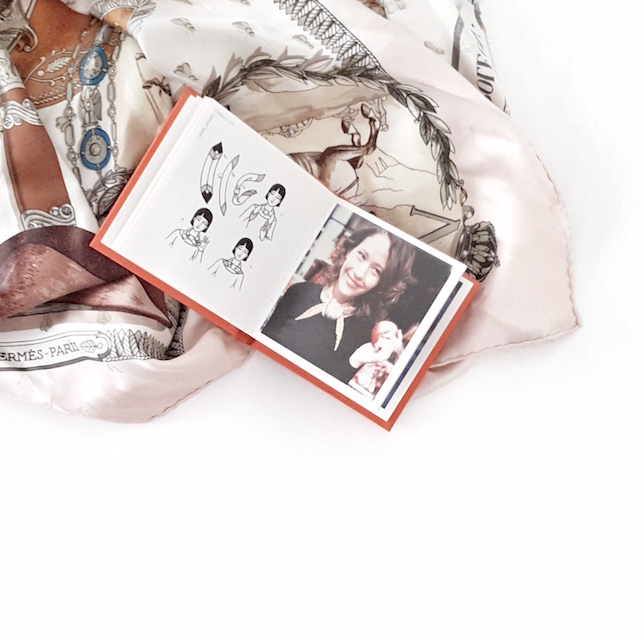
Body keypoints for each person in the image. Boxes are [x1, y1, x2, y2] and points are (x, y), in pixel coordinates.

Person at [262, 226, 415, 383]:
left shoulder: (364, 337)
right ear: (349, 251)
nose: (359, 273)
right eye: (361, 255)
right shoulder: (299, 292)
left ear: (382, 283)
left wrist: (356, 360)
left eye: (376, 271)